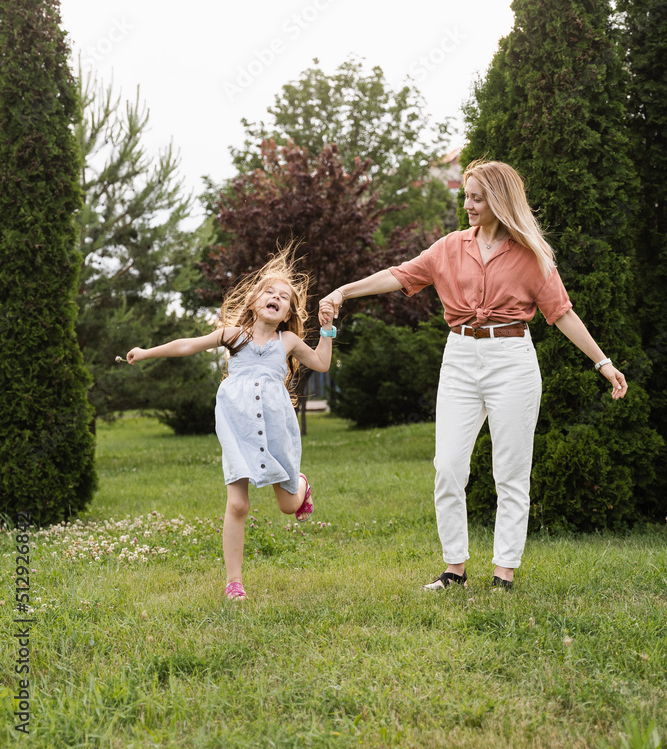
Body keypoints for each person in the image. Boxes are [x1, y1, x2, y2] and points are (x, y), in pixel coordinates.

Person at [319, 159, 627, 592]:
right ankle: (454, 569)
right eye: (465, 195)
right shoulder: (448, 248)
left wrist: (603, 362)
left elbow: (562, 313)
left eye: (476, 197)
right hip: (460, 357)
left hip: (512, 360)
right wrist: (343, 291)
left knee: (511, 471)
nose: (467, 204)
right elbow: (399, 274)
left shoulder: (530, 256)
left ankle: (504, 573)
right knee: (447, 466)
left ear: (499, 201)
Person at [127, 249, 336, 602]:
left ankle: (300, 485)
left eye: (283, 298)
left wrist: (328, 329)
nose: (276, 298)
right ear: (254, 301)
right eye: (269, 292)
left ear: (287, 314)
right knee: (238, 504)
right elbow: (187, 345)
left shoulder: (287, 341)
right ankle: (234, 582)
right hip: (237, 426)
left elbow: (321, 363)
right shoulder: (233, 336)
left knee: (288, 506)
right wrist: (147, 352)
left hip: (275, 429)